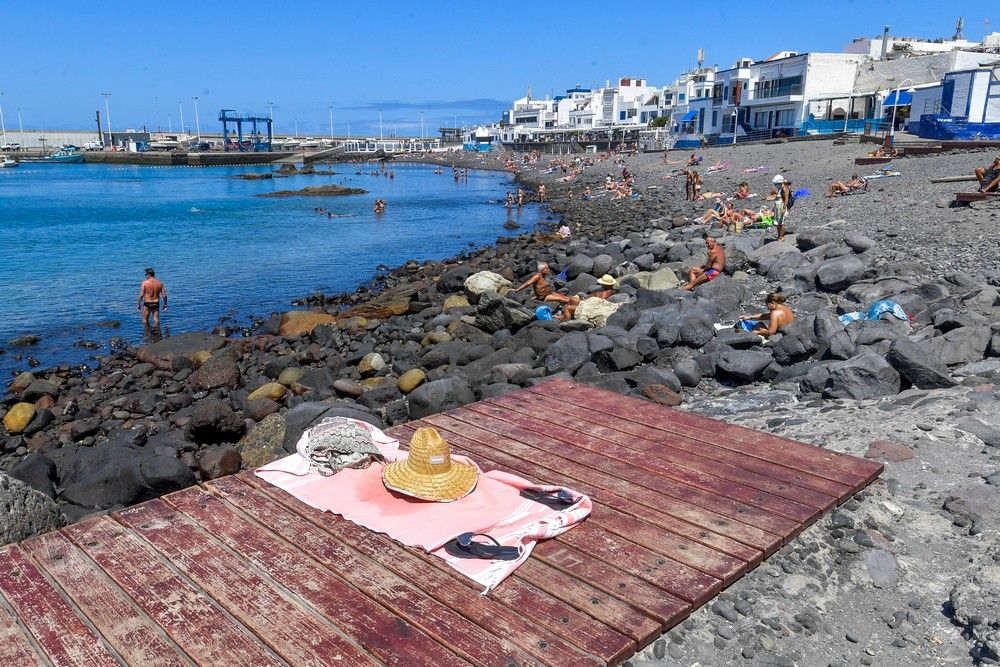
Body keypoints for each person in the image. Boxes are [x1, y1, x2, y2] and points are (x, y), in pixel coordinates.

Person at [768, 174, 791, 241]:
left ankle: (781, 236)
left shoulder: (784, 188)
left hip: (781, 207)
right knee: (778, 222)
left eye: (776, 184)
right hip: (777, 207)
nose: (776, 185)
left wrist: (784, 208)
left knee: (781, 222)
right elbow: (778, 198)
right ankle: (779, 236)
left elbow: (786, 198)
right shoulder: (780, 188)